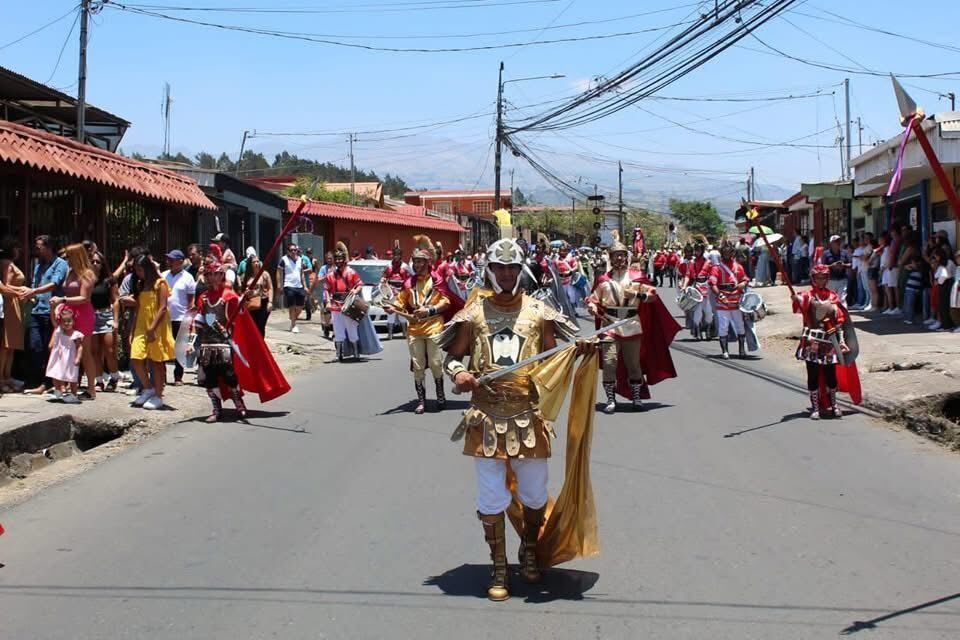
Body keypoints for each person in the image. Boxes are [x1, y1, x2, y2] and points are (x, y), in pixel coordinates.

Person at [438, 237, 584, 602]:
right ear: (489, 270)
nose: (506, 274)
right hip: (486, 417)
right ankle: (499, 566)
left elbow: (556, 356)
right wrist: (459, 374)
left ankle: (530, 550)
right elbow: (451, 358)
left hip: (529, 416)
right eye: (500, 268)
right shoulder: (472, 314)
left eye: (512, 268)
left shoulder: (539, 311)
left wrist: (579, 350)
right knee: (490, 497)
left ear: (521, 271)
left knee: (534, 493)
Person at [586, 235, 674, 413]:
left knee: (633, 364)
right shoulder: (603, 280)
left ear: (626, 257)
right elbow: (593, 299)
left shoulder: (637, 277)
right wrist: (592, 307)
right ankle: (611, 399)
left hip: (632, 324)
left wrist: (636, 295)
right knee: (609, 362)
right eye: (615, 255)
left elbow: (653, 296)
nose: (619, 258)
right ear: (610, 258)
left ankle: (636, 397)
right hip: (609, 325)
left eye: (621, 255)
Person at [384, 236, 450, 414]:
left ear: (428, 263)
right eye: (415, 262)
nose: (418, 265)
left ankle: (440, 395)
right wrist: (392, 308)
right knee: (418, 365)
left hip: (433, 325)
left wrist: (429, 311)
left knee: (436, 363)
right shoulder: (408, 283)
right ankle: (421, 401)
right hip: (414, 328)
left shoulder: (437, 280)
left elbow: (446, 302)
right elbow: (400, 301)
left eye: (421, 262)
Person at [189, 259, 248, 422]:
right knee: (209, 378)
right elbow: (198, 320)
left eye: (216, 274)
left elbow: (238, 317)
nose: (213, 278)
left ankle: (239, 403)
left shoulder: (229, 295)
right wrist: (191, 342)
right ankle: (216, 409)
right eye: (209, 274)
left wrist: (242, 302)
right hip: (206, 343)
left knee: (229, 375)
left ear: (222, 275)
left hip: (223, 342)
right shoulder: (203, 296)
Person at [792, 264, 853, 419]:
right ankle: (815, 407)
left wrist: (842, 341)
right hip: (812, 341)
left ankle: (834, 404)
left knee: (830, 375)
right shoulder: (807, 295)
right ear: (813, 279)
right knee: (812, 374)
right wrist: (796, 299)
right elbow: (799, 306)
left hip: (829, 340)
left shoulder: (833, 296)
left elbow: (839, 321)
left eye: (824, 277)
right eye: (818, 278)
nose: (821, 280)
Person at [20, 235, 67, 395]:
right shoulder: (37, 264)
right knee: (35, 346)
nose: (36, 249)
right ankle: (39, 380)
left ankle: (50, 382)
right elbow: (35, 284)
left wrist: (34, 291)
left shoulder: (60, 264)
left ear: (48, 247)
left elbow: (54, 283)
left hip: (51, 311)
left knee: (50, 348)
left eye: (39, 247)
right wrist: (30, 294)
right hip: (36, 309)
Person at [129, 255, 175, 410]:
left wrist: (152, 327)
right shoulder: (140, 284)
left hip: (157, 326)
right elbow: (138, 308)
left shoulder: (160, 283)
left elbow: (162, 307)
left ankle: (158, 396)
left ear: (147, 268)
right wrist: (132, 330)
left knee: (156, 362)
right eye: (136, 269)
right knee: (136, 357)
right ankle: (148, 388)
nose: (138, 272)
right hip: (141, 326)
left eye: (140, 269)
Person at [51, 243, 97, 400]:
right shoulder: (70, 271)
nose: (65, 259)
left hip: (83, 314)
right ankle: (66, 387)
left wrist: (63, 299)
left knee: (84, 351)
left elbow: (84, 298)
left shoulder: (87, 274)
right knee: (65, 350)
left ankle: (91, 389)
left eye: (68, 256)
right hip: (68, 313)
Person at [162, 249, 196, 385]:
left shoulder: (188, 278)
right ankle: (162, 376)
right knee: (163, 346)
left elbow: (191, 300)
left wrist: (189, 318)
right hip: (165, 317)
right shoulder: (163, 275)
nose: (169, 262)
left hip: (181, 317)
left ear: (180, 261)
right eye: (168, 259)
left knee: (179, 348)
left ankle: (178, 377)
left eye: (172, 260)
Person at [323, 242, 362, 360]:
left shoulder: (351, 272)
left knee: (352, 329)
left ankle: (356, 352)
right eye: (337, 259)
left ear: (344, 259)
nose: (339, 261)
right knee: (338, 330)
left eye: (340, 259)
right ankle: (339, 353)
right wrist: (328, 302)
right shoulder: (330, 275)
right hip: (335, 306)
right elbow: (326, 289)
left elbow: (359, 284)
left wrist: (355, 291)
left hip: (348, 305)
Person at [710, 242, 749, 359]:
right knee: (723, 326)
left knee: (740, 325)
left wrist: (743, 284)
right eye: (725, 253)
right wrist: (719, 295)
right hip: (723, 300)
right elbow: (712, 284)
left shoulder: (738, 267)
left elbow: (745, 279)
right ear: (722, 254)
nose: (727, 255)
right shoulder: (716, 268)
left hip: (736, 300)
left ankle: (741, 350)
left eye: (729, 252)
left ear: (733, 253)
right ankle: (725, 351)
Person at [89, 251, 120, 392]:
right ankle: (99, 380)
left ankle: (114, 378)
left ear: (102, 264)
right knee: (95, 351)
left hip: (106, 315)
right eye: (92, 261)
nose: (95, 264)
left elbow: (115, 300)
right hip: (92, 316)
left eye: (98, 261)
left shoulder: (108, 280)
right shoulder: (87, 280)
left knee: (109, 350)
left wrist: (115, 320)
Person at [0, 238, 25, 393]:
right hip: (9, 304)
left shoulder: (10, 263)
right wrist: (21, 292)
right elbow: (5, 286)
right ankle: (1, 378)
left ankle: (7, 376)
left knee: (11, 346)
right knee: (5, 344)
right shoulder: (7, 264)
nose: (19, 251)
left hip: (14, 303)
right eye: (17, 248)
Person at [45, 306, 83, 404]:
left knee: (72, 377)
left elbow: (79, 347)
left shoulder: (76, 334)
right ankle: (58, 390)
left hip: (70, 358)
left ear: (73, 321)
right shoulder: (59, 330)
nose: (66, 323)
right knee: (55, 373)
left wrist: (78, 358)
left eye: (69, 321)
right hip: (58, 357)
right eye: (64, 321)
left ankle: (74, 395)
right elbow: (53, 319)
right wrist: (53, 308)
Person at [380, 241, 411, 340]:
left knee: (402, 314)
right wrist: (383, 281)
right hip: (390, 293)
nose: (396, 257)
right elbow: (384, 277)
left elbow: (412, 277)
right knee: (391, 313)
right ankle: (390, 334)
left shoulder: (405, 267)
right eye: (394, 255)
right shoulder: (389, 266)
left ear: (401, 256)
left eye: (398, 255)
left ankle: (404, 333)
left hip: (402, 292)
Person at [241, 254, 273, 337]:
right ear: (250, 264)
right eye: (254, 262)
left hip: (263, 302)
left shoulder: (264, 274)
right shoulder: (245, 276)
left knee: (261, 325)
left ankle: (261, 343)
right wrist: (246, 293)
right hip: (251, 303)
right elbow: (241, 291)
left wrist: (270, 302)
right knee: (253, 326)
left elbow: (270, 288)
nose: (256, 263)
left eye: (258, 261)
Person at [277, 243, 307, 334]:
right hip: (288, 285)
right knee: (292, 305)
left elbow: (301, 273)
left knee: (301, 306)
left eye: (295, 250)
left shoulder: (300, 259)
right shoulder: (283, 260)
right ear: (288, 251)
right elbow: (279, 272)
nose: (294, 252)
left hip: (299, 286)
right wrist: (279, 284)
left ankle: (293, 317)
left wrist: (305, 285)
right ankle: (293, 324)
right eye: (291, 250)